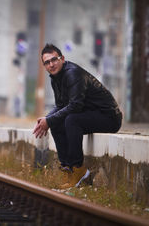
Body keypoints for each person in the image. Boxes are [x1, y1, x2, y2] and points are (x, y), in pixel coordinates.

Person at [33, 43, 122, 189]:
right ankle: (68, 169)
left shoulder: (72, 73)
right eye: (47, 62)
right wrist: (47, 119)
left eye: (54, 60)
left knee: (71, 120)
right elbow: (61, 105)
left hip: (109, 117)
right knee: (57, 122)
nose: (51, 64)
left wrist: (49, 120)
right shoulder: (55, 77)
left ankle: (78, 169)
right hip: (91, 114)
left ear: (62, 58)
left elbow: (75, 105)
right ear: (44, 66)